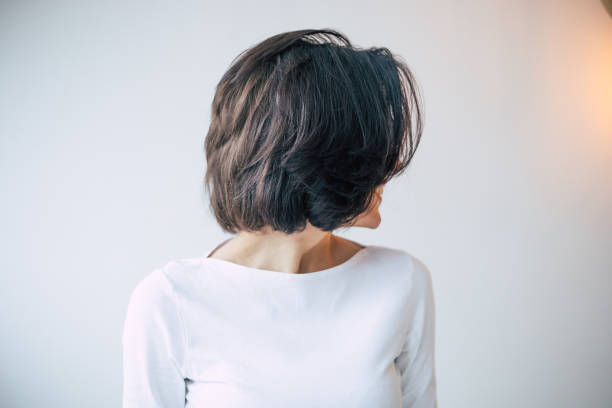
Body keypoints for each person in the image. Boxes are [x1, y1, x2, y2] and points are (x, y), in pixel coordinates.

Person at [122, 28, 437, 407]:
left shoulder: (403, 282)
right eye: (373, 150)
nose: (394, 166)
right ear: (320, 157)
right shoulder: (167, 302)